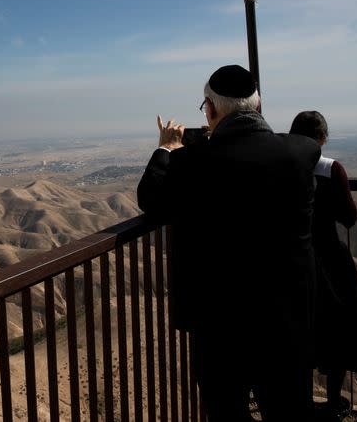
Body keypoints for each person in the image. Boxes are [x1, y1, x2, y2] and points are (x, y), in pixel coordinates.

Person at [137, 65, 321, 422]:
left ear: (210, 108)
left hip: (220, 321)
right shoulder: (301, 152)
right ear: (258, 104)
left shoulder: (191, 163)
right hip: (289, 315)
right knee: (289, 409)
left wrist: (167, 149)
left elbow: (151, 200)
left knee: (227, 410)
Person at [290, 110, 357, 421]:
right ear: (322, 139)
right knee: (337, 329)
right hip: (329, 259)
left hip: (293, 259)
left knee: (300, 331)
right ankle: (334, 401)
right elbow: (349, 218)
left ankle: (300, 401)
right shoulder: (330, 169)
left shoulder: (282, 167)